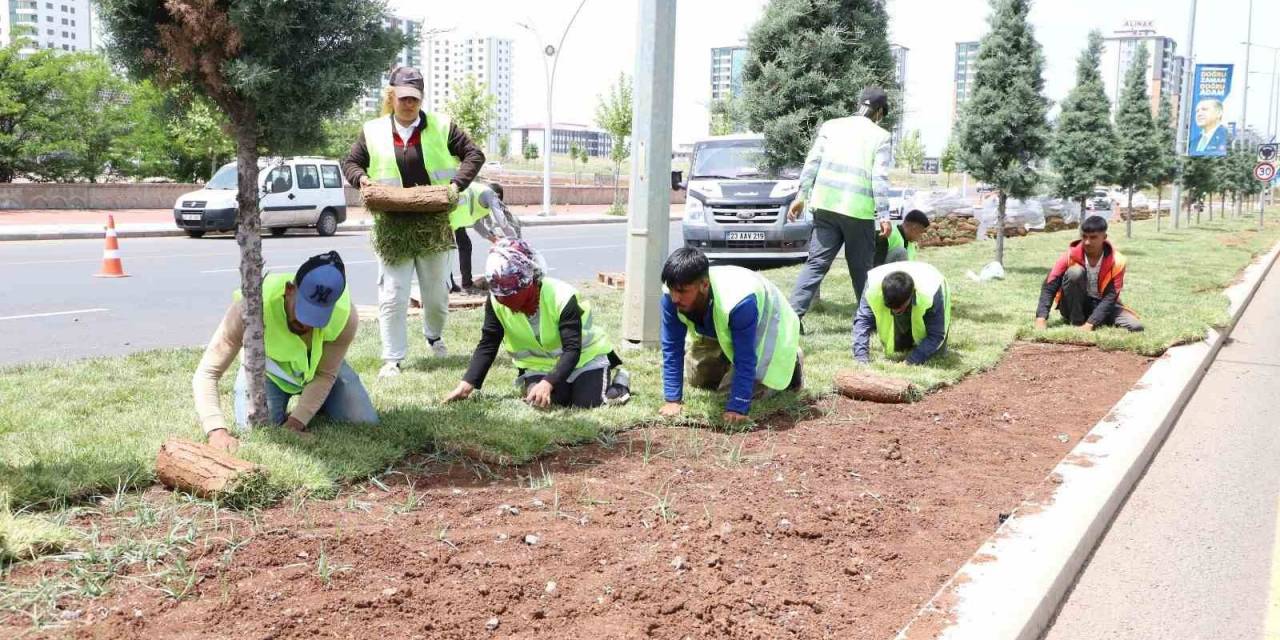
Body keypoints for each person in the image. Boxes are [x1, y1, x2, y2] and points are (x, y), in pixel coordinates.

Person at [342, 66, 485, 378]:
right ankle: (392, 358)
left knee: (436, 295)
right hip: (392, 224)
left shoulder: (442, 126)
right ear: (391, 96)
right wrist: (361, 178)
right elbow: (350, 162)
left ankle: (433, 335)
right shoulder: (373, 131)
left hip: (434, 223)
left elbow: (474, 155)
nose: (409, 104)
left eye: (415, 99)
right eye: (403, 98)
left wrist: (455, 186)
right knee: (393, 293)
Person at [193, 252, 377, 453]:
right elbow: (207, 373)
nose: (306, 323)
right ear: (289, 290)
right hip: (269, 372)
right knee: (259, 430)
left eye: (318, 317)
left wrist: (296, 423)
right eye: (303, 311)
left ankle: (319, 404)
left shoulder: (344, 315)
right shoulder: (252, 308)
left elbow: (324, 374)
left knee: (363, 421)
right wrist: (216, 430)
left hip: (318, 368)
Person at [443, 239, 630, 408]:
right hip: (539, 366)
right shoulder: (496, 302)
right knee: (546, 401)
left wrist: (548, 382)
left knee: (587, 403)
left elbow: (572, 349)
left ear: (529, 282)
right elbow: (488, 343)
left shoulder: (562, 297)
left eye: (510, 294)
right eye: (498, 294)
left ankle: (620, 384)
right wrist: (467, 384)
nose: (503, 300)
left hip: (585, 360)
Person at [658, 248, 802, 425]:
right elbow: (671, 347)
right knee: (698, 378)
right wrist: (673, 400)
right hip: (722, 326)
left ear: (704, 285)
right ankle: (728, 364)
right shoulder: (670, 298)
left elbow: (745, 358)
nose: (675, 298)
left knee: (728, 393)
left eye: (682, 291)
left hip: (766, 326)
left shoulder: (739, 301)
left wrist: (737, 408)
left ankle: (791, 361)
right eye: (672, 289)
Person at [788, 86, 895, 321]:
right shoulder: (881, 136)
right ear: (879, 111)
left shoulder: (831, 126)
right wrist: (884, 215)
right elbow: (879, 179)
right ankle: (867, 320)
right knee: (862, 270)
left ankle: (792, 318)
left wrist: (800, 197)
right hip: (858, 213)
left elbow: (812, 162)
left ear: (860, 104)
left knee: (816, 263)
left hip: (825, 207)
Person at [1035, 216, 1143, 332]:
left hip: (1100, 303)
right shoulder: (1070, 255)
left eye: (1093, 237)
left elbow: (1111, 297)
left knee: (1135, 326)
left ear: (1104, 237)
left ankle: (1094, 319)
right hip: (1073, 305)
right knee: (1075, 272)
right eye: (1084, 236)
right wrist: (1041, 318)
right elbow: (1050, 285)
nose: (1087, 242)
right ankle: (1077, 321)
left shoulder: (1118, 261)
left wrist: (1091, 324)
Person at [852, 261, 951, 365]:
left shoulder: (931, 292)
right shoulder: (872, 287)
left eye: (899, 308)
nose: (894, 311)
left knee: (936, 354)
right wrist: (861, 358)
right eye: (890, 307)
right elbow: (862, 321)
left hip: (933, 283)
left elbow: (936, 335)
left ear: (910, 296)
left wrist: (911, 360)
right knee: (900, 347)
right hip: (900, 291)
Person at [450, 181, 522, 294]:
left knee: (460, 246)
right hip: (453, 209)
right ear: (498, 196)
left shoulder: (478, 197)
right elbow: (502, 222)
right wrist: (514, 242)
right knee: (454, 247)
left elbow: (476, 224)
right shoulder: (490, 195)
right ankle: (463, 284)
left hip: (457, 211)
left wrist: (493, 239)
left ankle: (457, 284)